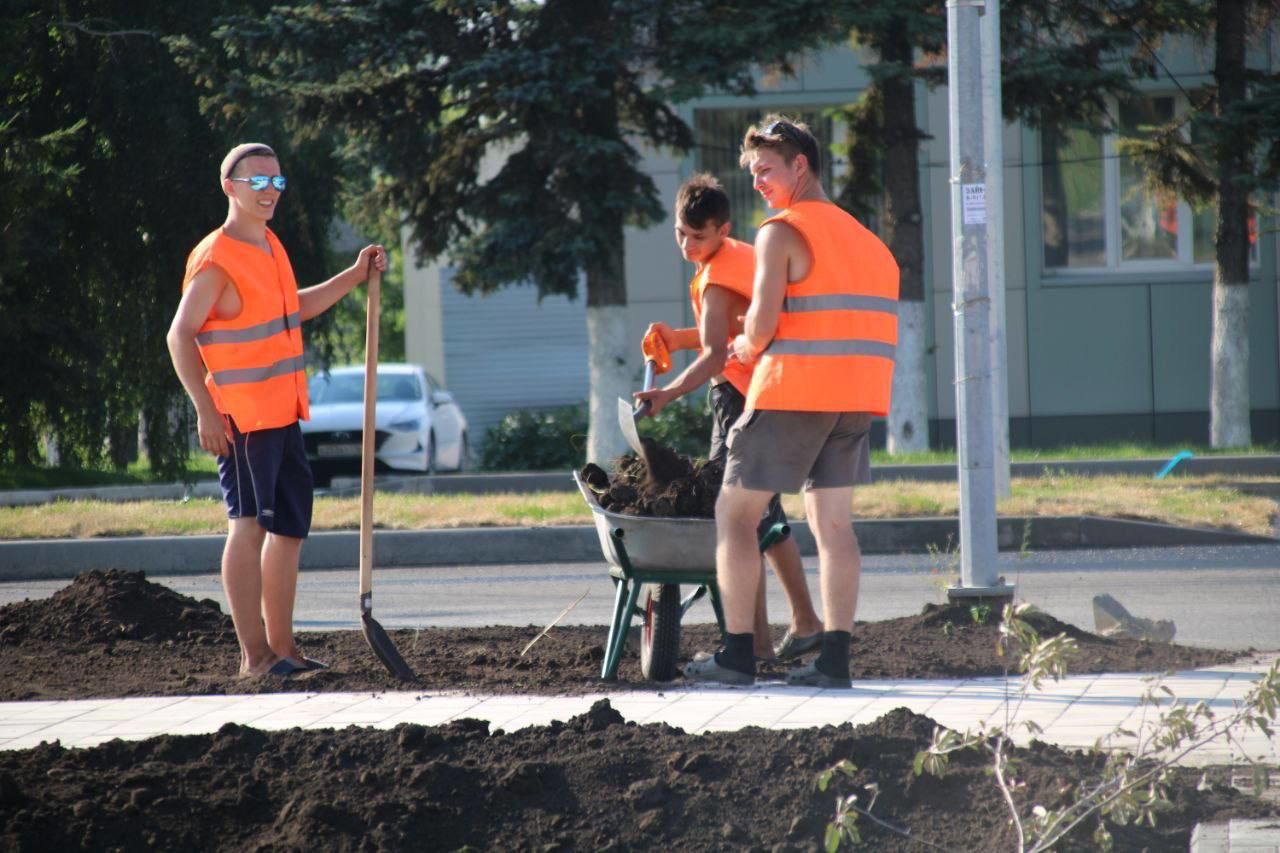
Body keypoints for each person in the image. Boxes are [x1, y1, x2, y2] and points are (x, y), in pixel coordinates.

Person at [683, 117, 899, 688]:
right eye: (751, 172)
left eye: (765, 169)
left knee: (733, 514)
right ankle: (834, 660)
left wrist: (741, 344)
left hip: (794, 391)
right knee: (833, 525)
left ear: (799, 165)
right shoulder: (869, 241)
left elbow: (761, 325)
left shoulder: (780, 231)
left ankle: (736, 656)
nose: (756, 182)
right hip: (856, 397)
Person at [167, 143, 388, 677]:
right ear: (230, 188)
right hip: (242, 420)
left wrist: (353, 276)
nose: (270, 193)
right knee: (248, 525)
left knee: (288, 529)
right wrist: (205, 411)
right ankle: (255, 658)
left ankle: (283, 650)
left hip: (283, 415)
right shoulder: (216, 258)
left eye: (277, 183)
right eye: (258, 183)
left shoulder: (268, 245)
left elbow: (295, 308)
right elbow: (179, 335)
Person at [635, 174, 823, 663]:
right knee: (765, 517)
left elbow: (718, 354)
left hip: (739, 400)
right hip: (768, 394)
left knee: (738, 522)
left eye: (698, 236)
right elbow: (728, 327)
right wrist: (678, 339)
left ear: (722, 228)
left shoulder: (716, 276)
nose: (686, 244)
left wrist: (668, 394)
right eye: (680, 233)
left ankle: (757, 643)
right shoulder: (734, 255)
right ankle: (802, 624)